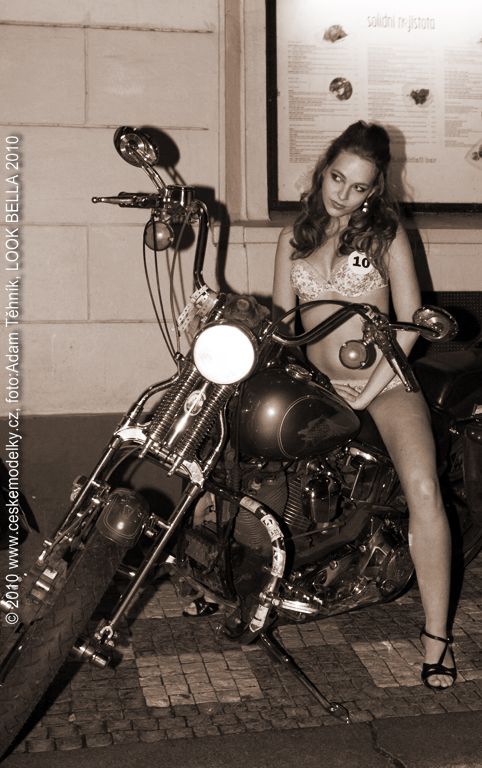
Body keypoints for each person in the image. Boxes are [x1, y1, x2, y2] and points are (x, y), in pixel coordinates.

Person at [272, 120, 456, 690]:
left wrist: (369, 391)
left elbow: (410, 324)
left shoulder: (385, 237)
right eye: (337, 178)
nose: (343, 194)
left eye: (358, 187)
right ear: (323, 170)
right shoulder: (294, 237)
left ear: (374, 190)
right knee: (248, 455)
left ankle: (436, 637)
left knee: (423, 488)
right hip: (318, 385)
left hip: (385, 381)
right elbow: (281, 323)